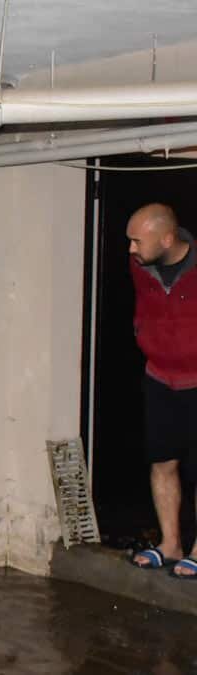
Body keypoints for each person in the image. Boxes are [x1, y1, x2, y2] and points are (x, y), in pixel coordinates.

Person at [126, 203, 197, 578]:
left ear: (167, 239)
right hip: (159, 377)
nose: (131, 249)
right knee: (163, 462)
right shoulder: (140, 267)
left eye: (137, 241)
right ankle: (170, 544)